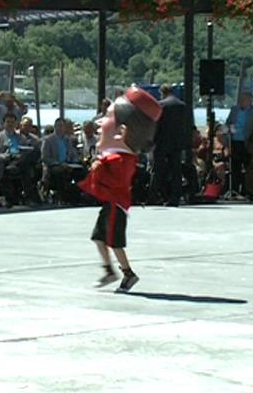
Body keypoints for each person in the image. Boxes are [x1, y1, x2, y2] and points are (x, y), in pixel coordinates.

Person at [78, 86, 161, 292]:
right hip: (110, 204)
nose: (99, 124)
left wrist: (100, 167)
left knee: (114, 241)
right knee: (99, 237)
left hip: (116, 205)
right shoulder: (114, 157)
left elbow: (116, 181)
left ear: (122, 132)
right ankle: (109, 270)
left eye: (107, 116)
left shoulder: (121, 160)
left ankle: (127, 273)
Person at [152, 84, 188, 206]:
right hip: (177, 142)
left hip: (162, 141)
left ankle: (155, 195)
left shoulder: (161, 105)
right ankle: (175, 197)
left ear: (162, 92)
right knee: (176, 171)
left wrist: (153, 139)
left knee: (158, 170)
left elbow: (156, 125)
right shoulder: (182, 105)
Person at [225, 92, 253, 196]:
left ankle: (248, 190)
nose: (242, 101)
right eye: (241, 99)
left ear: (249, 100)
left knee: (248, 167)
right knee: (235, 166)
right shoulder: (234, 109)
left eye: (244, 99)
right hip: (235, 141)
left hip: (248, 141)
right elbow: (228, 122)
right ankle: (235, 190)